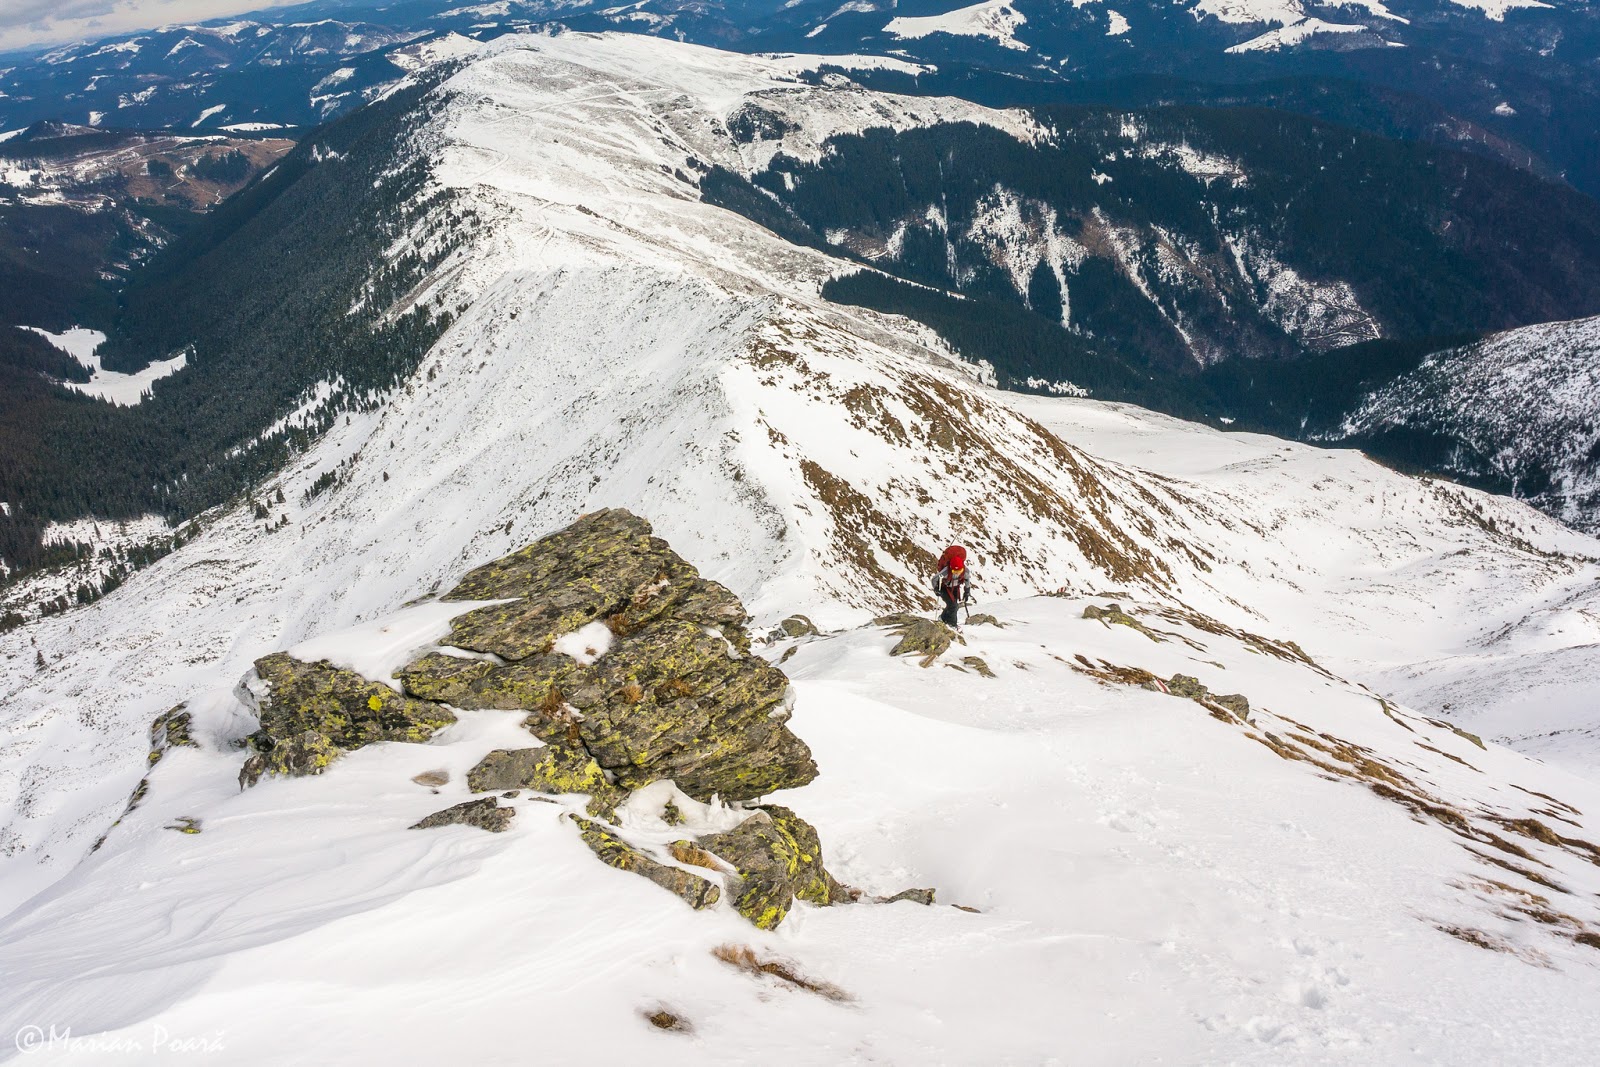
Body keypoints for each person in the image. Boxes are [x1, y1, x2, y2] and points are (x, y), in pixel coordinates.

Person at [933, 545, 972, 629]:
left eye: (959, 571)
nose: (957, 573)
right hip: (944, 588)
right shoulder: (946, 571)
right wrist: (936, 589)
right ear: (951, 568)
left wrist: (967, 591)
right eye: (955, 571)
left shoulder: (965, 571)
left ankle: (943, 618)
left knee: (953, 605)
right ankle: (952, 625)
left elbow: (967, 580)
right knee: (953, 606)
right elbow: (934, 579)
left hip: (955, 587)